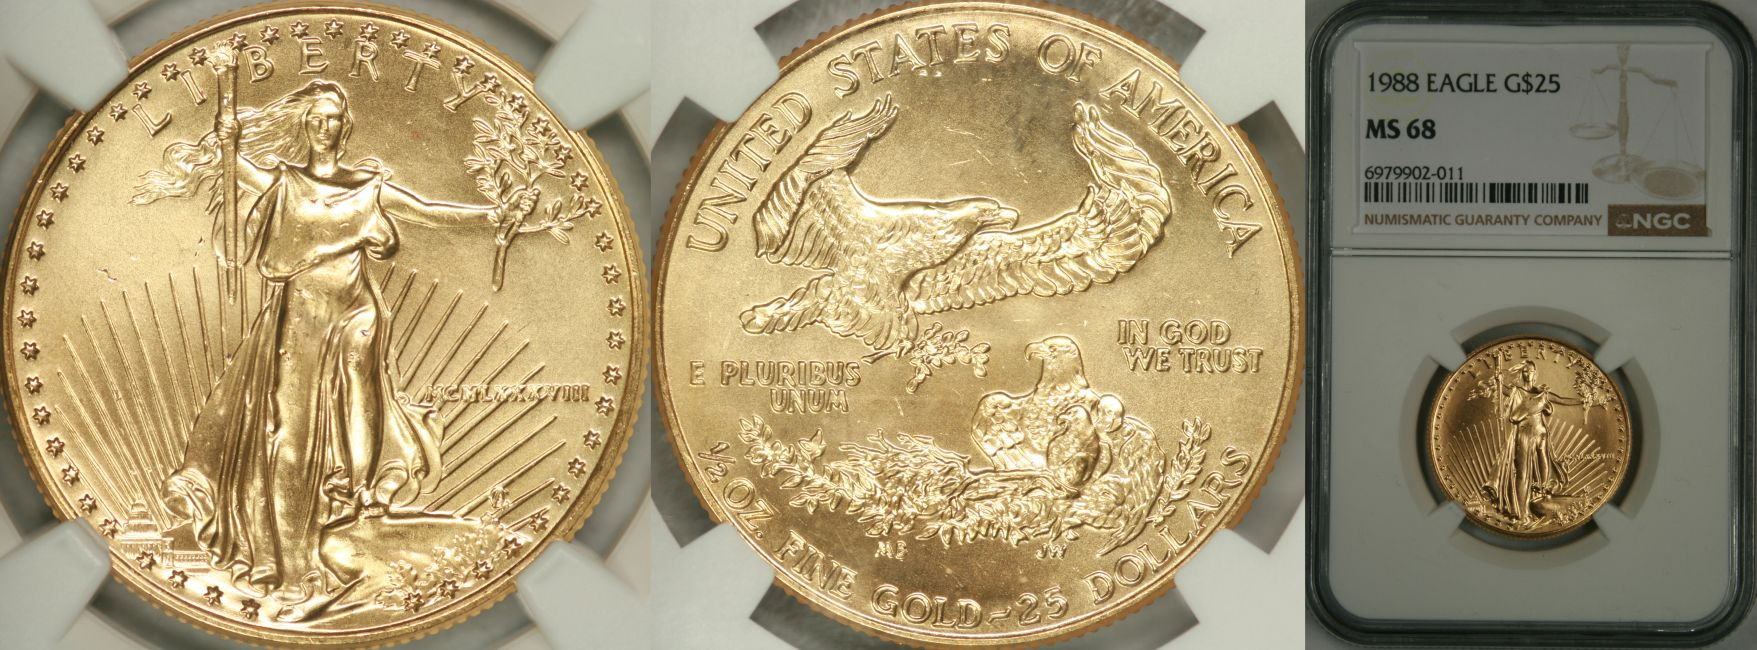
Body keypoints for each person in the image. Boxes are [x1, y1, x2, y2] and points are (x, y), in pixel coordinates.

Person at [133, 80, 530, 609]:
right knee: (289, 429)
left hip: (355, 309)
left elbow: (429, 210)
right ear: (305, 126)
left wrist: (493, 216)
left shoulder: (368, 188)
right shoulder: (286, 182)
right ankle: (299, 539)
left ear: (346, 126)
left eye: (333, 119)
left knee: (358, 384)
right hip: (299, 317)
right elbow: (239, 171)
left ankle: (361, 490)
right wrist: (227, 141)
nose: (324, 127)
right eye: (316, 119)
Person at [1483, 361, 1581, 523]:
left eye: (1530, 371)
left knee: (1543, 468)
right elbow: (1503, 390)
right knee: (1522, 472)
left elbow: (1562, 400)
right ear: (1522, 374)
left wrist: (1583, 401)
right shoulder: (1516, 391)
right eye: (1525, 371)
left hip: (1541, 433)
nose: (1528, 374)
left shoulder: (1542, 394)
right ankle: (1521, 512)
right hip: (1524, 434)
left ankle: (1539, 497)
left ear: (1535, 373)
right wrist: (1498, 380)